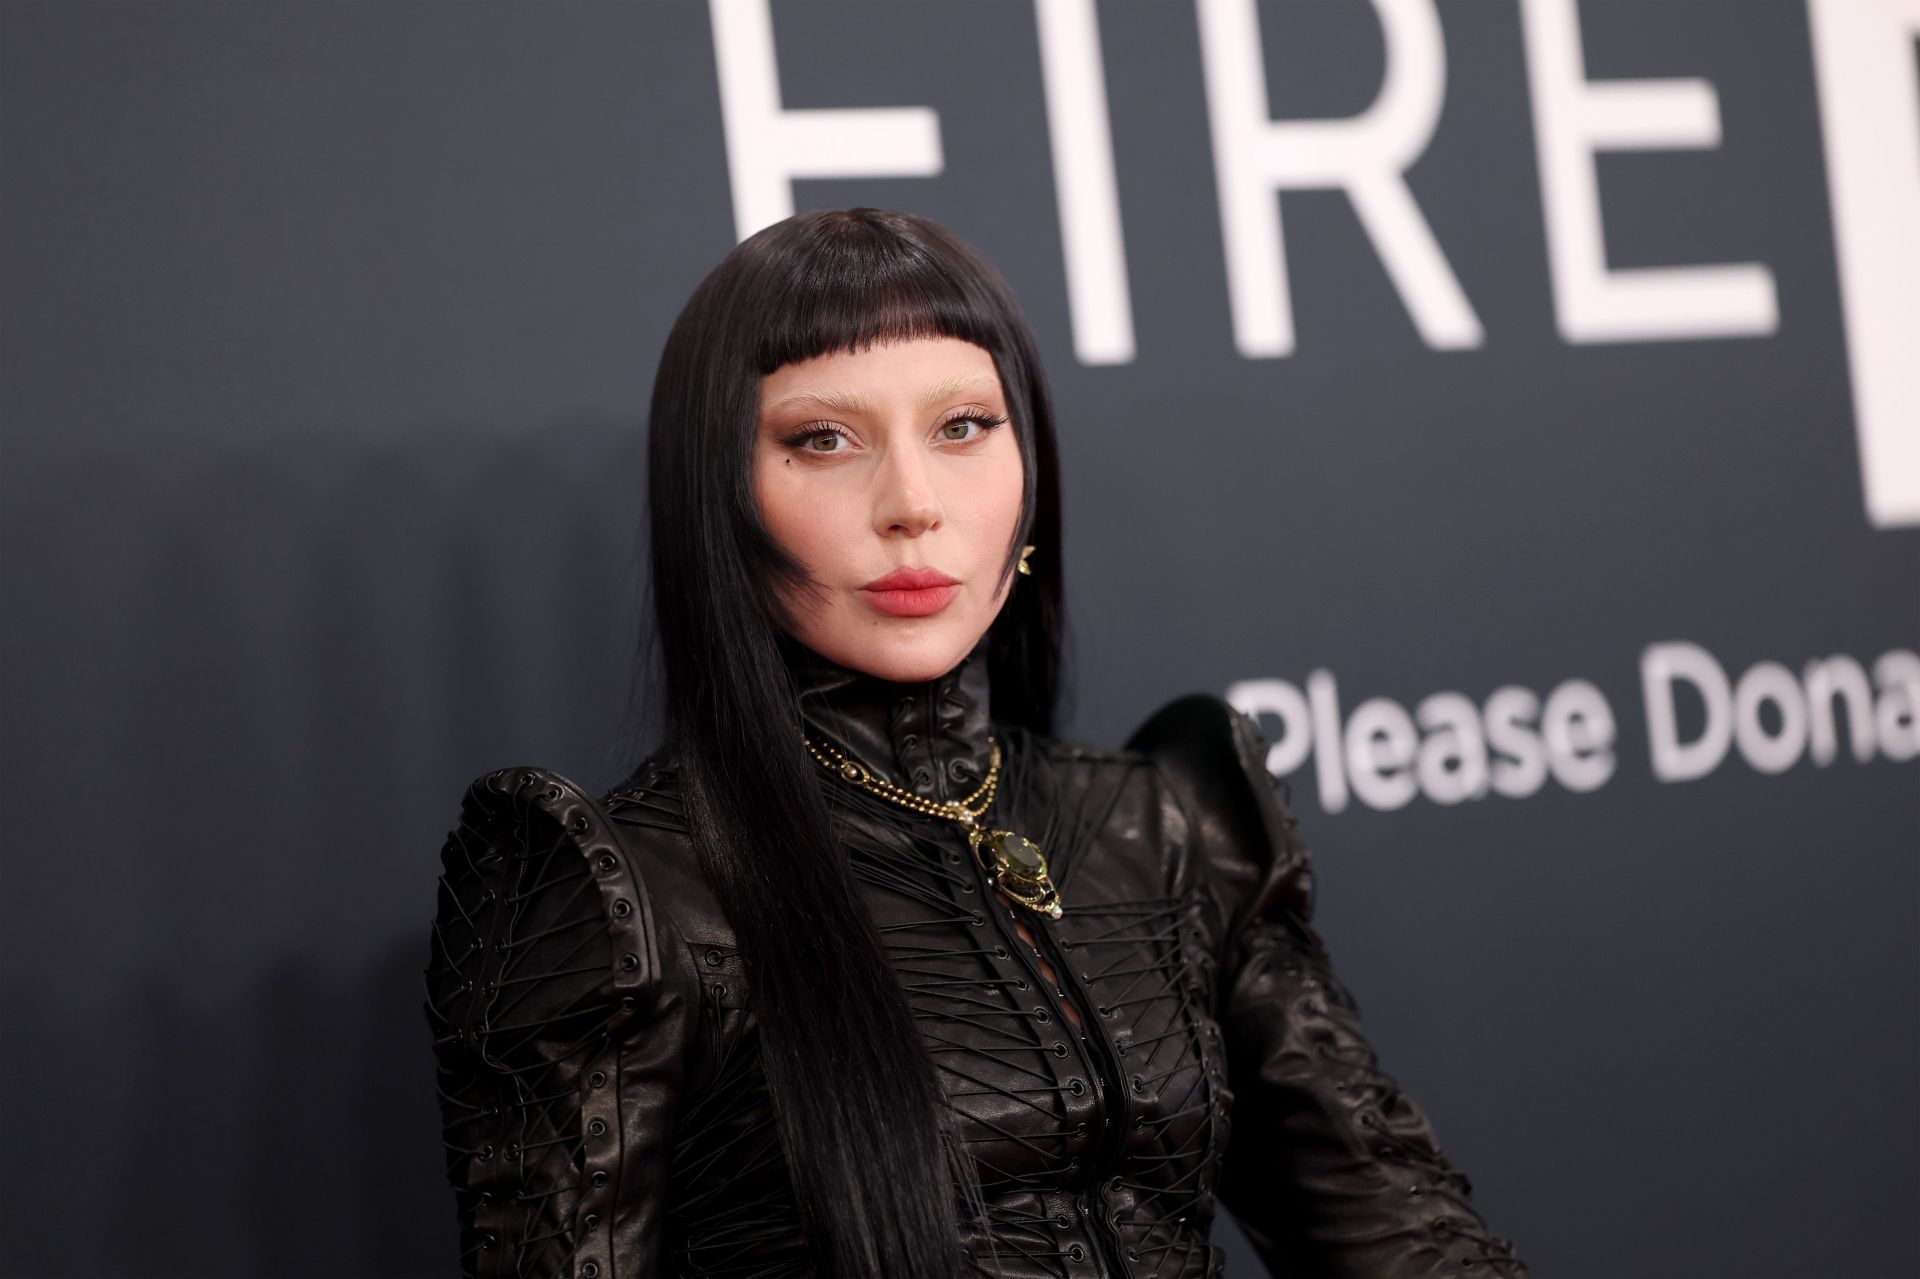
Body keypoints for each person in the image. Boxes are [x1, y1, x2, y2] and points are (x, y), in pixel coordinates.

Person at [422, 206, 1528, 1279]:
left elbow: (1395, 1227)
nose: (912, 502)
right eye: (822, 439)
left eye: (963, 427)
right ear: (721, 498)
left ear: (1028, 468)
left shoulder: (1164, 825)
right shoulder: (626, 894)